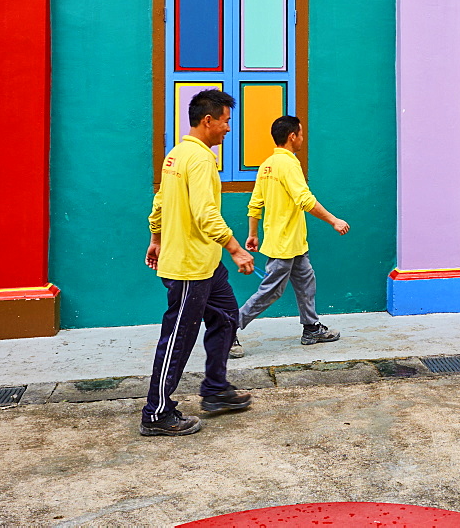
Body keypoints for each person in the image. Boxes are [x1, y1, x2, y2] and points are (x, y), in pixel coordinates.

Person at [140, 89, 256, 436]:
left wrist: (156, 238)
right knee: (177, 338)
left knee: (226, 316)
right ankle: (156, 413)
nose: (227, 129)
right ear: (208, 121)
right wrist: (236, 248)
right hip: (190, 265)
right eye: (225, 122)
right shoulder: (201, 159)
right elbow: (206, 215)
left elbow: (160, 201)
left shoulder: (175, 154)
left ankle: (216, 389)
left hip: (206, 264)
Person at [231, 115, 349, 356]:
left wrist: (252, 234)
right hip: (284, 244)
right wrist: (333, 220)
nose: (303, 139)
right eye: (301, 134)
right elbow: (305, 200)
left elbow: (255, 204)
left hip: (292, 242)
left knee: (306, 280)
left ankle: (311, 327)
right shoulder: (289, 164)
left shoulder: (267, 165)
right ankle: (227, 328)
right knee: (271, 291)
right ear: (292, 136)